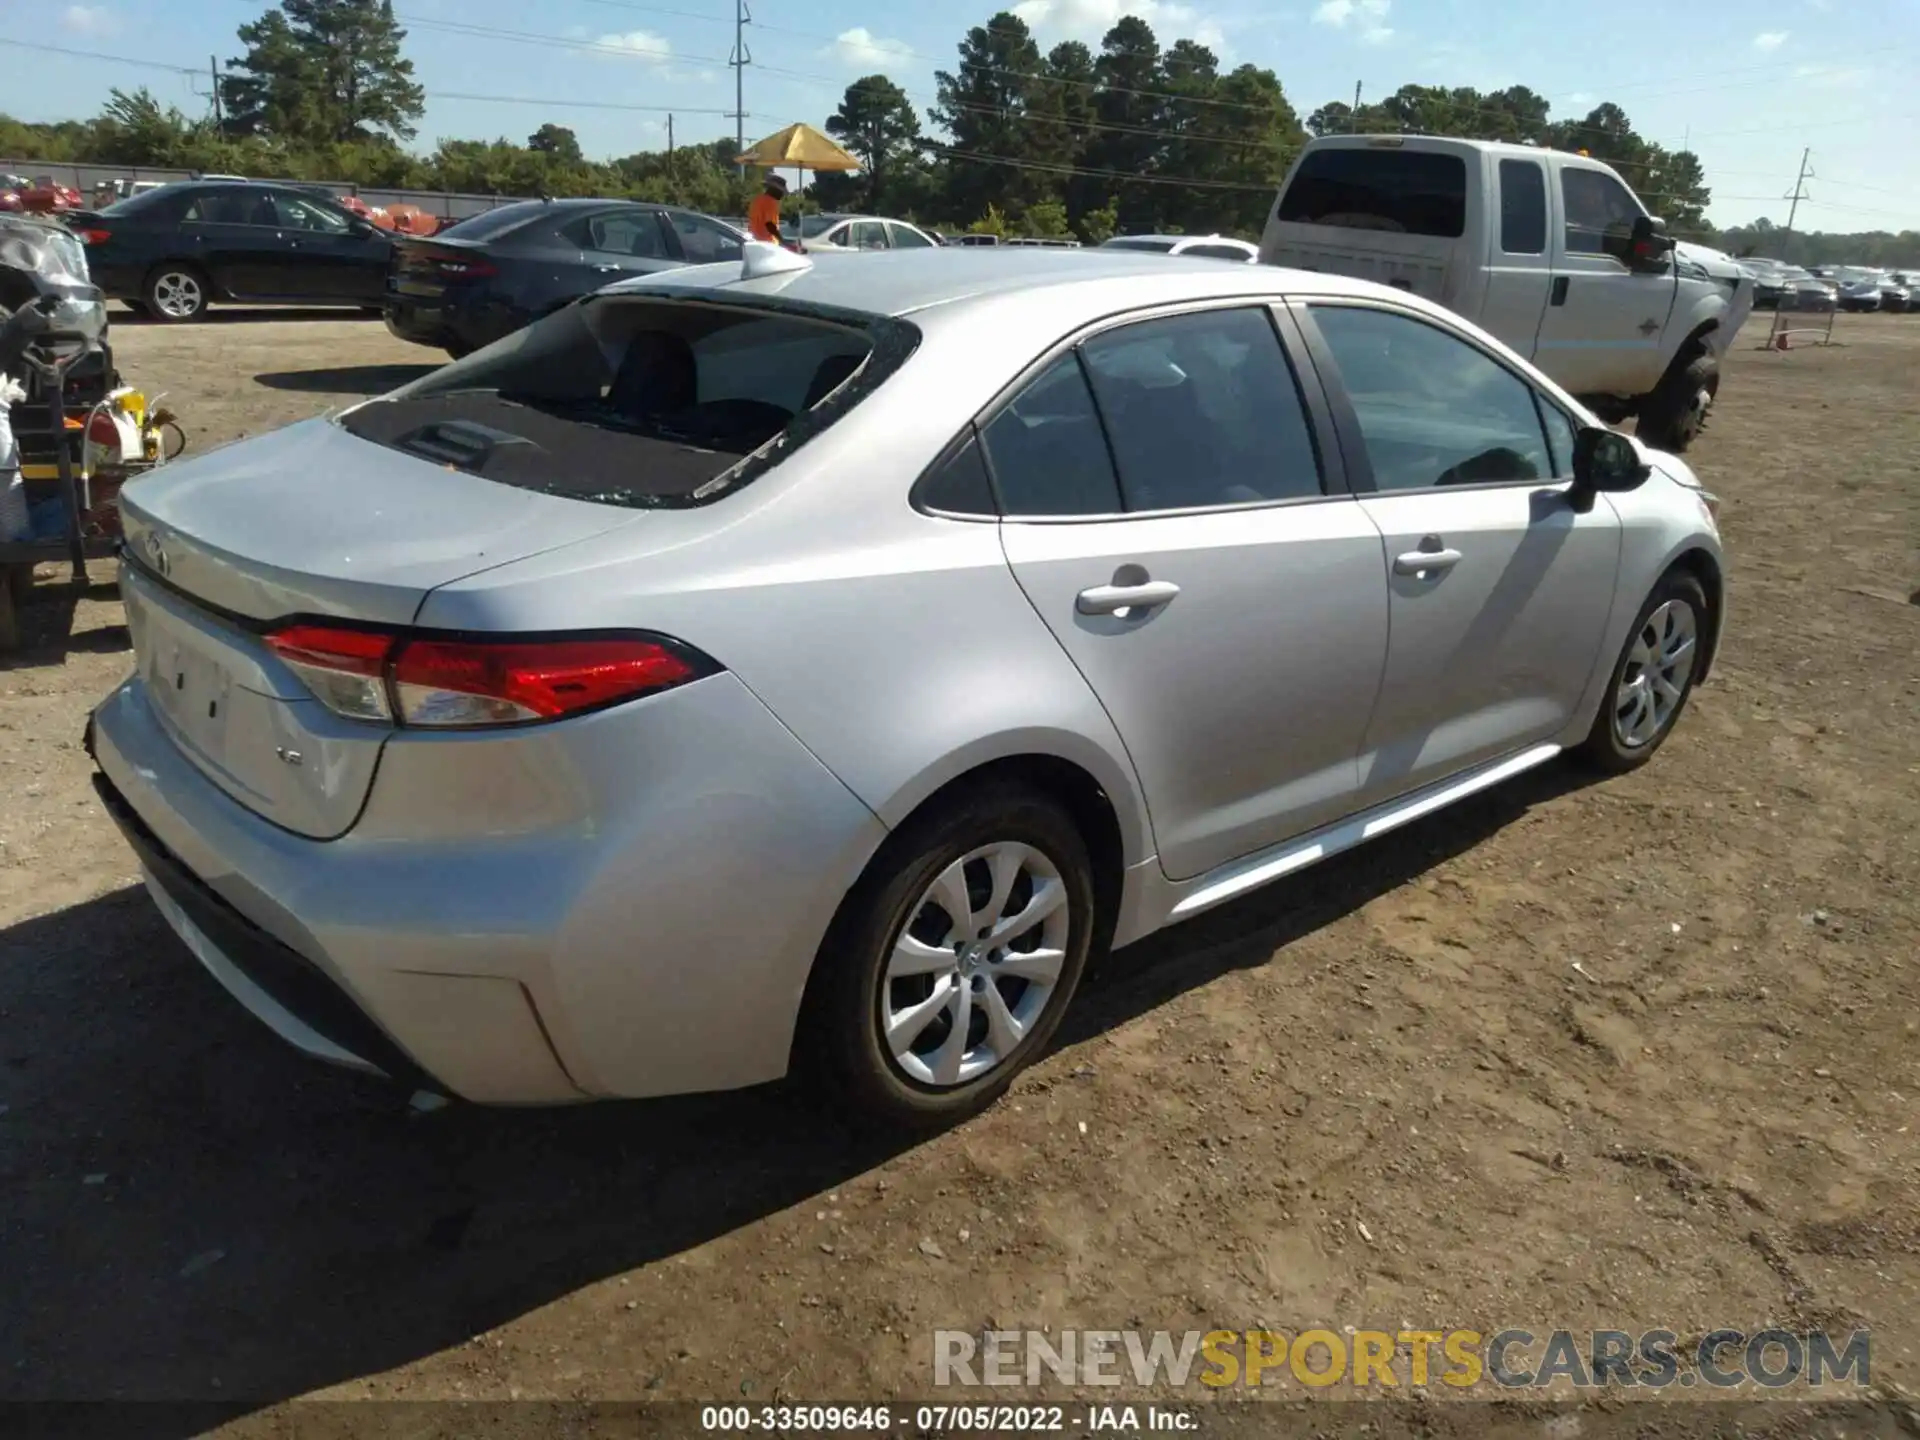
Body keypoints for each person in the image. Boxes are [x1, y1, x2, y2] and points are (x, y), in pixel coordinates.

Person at [748, 174, 787, 246]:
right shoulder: (771, 202)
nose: (782, 195)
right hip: (768, 244)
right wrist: (783, 241)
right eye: (781, 192)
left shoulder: (757, 200)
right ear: (774, 190)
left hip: (754, 242)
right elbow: (770, 225)